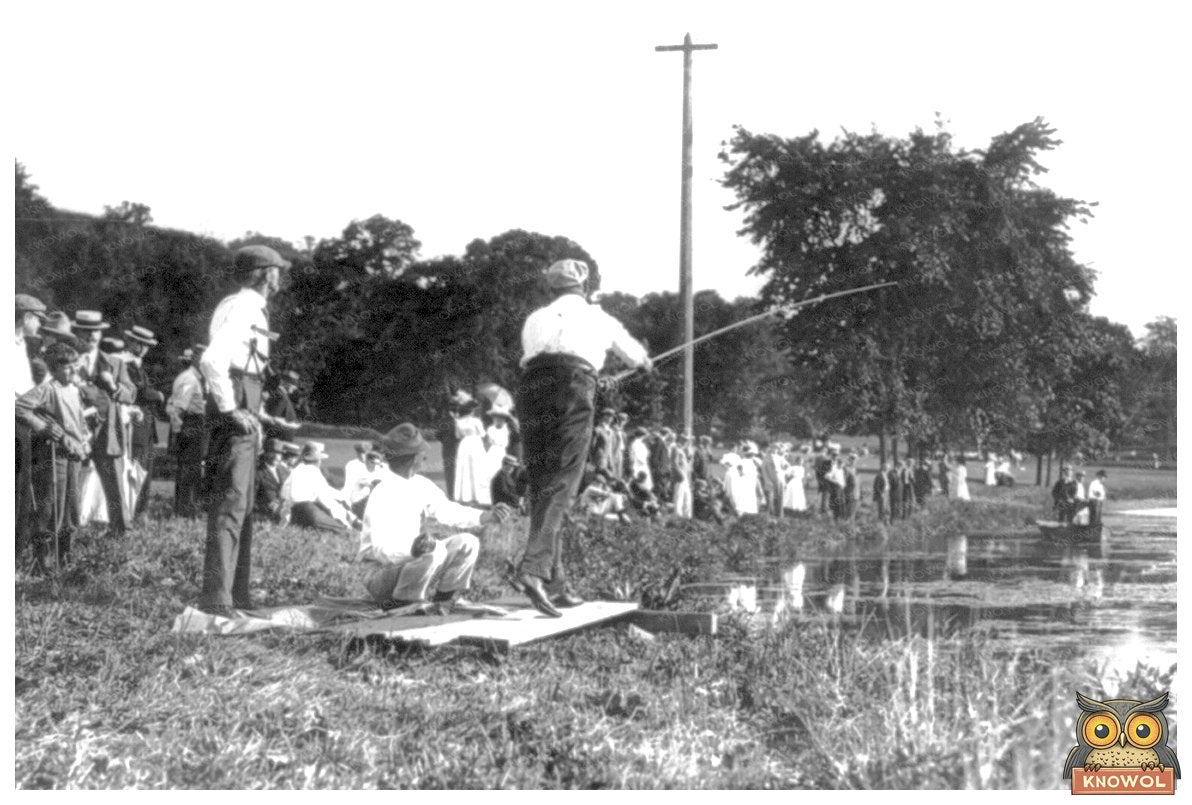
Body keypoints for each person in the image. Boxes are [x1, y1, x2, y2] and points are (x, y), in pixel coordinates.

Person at [511, 258, 651, 617]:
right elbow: (635, 357)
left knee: (543, 481)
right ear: (585, 288)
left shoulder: (535, 318)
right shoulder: (600, 319)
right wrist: (644, 364)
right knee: (563, 481)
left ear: (551, 288)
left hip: (531, 388)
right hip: (573, 387)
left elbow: (545, 357)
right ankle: (533, 569)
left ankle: (555, 585)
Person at [196, 245, 290, 617]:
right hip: (235, 398)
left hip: (246, 396)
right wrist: (231, 408)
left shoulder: (243, 306)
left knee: (244, 503)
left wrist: (254, 409)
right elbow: (212, 360)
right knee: (232, 503)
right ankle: (218, 599)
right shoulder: (242, 307)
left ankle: (236, 594)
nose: (280, 277)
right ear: (266, 273)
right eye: (277, 270)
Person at [358, 423, 512, 609]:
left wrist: (485, 516)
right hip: (379, 573)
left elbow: (447, 510)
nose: (425, 456)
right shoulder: (383, 491)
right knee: (434, 550)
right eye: (422, 452)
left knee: (468, 542)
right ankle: (404, 603)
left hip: (409, 566)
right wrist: (413, 550)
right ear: (413, 458)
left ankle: (445, 599)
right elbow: (381, 550)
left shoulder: (420, 484)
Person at [16, 343, 91, 571]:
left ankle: (65, 555)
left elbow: (80, 420)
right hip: (54, 455)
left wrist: (85, 439)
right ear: (54, 368)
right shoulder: (48, 389)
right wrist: (45, 427)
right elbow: (19, 407)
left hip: (74, 454)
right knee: (51, 505)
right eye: (66, 368)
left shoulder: (74, 390)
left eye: (74, 367)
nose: (72, 372)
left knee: (71, 505)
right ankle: (43, 559)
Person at [73, 311, 138, 536]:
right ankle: (66, 533)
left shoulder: (114, 363)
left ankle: (121, 530)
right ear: (77, 333)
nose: (91, 336)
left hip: (105, 431)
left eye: (96, 331)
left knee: (114, 484)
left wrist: (113, 387)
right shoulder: (67, 359)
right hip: (74, 430)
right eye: (86, 331)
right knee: (68, 482)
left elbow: (131, 394)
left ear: (101, 334)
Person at [15, 294, 49, 565]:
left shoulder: (19, 344)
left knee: (21, 490)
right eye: (38, 319)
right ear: (25, 317)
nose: (39, 325)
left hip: (22, 422)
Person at [123, 325, 165, 521]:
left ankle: (140, 510)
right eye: (143, 344)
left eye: (147, 345)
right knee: (136, 466)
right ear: (133, 343)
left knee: (145, 468)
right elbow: (139, 392)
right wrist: (158, 395)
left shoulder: (138, 366)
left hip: (146, 425)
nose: (145, 348)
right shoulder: (126, 364)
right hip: (137, 423)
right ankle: (132, 510)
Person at [166, 345, 209, 518]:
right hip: (190, 426)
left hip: (195, 425)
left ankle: (188, 508)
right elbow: (178, 409)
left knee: (192, 469)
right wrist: (177, 434)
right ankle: (184, 510)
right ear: (197, 360)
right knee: (188, 470)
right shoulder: (190, 379)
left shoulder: (195, 378)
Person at [288, 441, 358, 533]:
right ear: (317, 461)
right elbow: (324, 499)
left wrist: (342, 498)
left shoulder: (297, 470)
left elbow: (327, 491)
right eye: (320, 460)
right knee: (341, 530)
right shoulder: (312, 472)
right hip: (307, 511)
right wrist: (346, 520)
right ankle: (349, 527)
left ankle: (351, 523)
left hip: (292, 513)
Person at [435, 389, 472, 501]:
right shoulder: (448, 420)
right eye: (453, 407)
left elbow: (439, 435)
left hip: (455, 450)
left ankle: (458, 496)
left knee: (458, 474)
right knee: (453, 474)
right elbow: (439, 435)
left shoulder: (459, 420)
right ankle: (454, 497)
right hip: (451, 451)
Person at [451, 400, 490, 506]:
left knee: (465, 469)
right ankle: (478, 495)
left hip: (464, 444)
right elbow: (482, 434)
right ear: (471, 411)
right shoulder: (476, 421)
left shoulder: (458, 422)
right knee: (477, 468)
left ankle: (465, 495)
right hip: (475, 443)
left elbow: (458, 435)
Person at [262, 368, 302, 443]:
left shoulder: (281, 395)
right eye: (293, 384)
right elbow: (273, 420)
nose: (295, 388)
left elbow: (273, 420)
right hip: (279, 440)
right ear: (284, 383)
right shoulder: (280, 396)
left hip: (280, 440)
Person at [255, 438, 287, 523]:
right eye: (272, 452)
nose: (276, 456)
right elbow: (252, 498)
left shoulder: (284, 470)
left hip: (284, 506)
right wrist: (266, 507)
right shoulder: (258, 472)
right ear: (265, 453)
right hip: (266, 511)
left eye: (279, 454)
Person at [760, 443, 786, 517]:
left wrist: (785, 467)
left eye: (777, 448)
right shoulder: (766, 458)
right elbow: (764, 470)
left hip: (780, 477)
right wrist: (767, 480)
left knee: (780, 495)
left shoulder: (780, 457)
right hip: (771, 478)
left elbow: (784, 466)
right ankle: (772, 513)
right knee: (771, 496)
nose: (776, 450)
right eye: (774, 448)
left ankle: (780, 513)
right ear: (771, 448)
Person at [671, 433, 693, 518]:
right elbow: (674, 463)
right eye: (684, 440)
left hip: (685, 475)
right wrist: (680, 475)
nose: (685, 442)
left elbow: (685, 462)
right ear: (680, 440)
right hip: (680, 476)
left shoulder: (682, 449)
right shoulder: (676, 449)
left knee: (687, 497)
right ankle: (677, 516)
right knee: (679, 497)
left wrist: (689, 456)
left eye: (686, 441)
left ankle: (687, 516)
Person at [815, 449, 834, 514]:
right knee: (824, 494)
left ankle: (822, 507)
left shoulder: (819, 458)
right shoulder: (826, 461)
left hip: (823, 479)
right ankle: (823, 508)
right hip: (824, 480)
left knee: (823, 494)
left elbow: (817, 469)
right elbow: (819, 470)